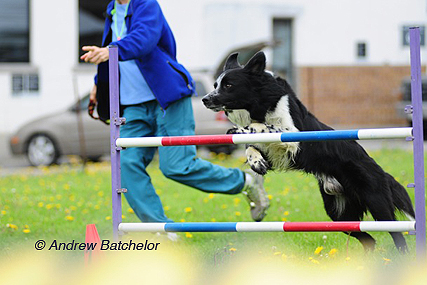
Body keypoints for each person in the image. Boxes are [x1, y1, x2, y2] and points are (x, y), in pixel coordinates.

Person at [81, 0, 269, 231]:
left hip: (167, 99)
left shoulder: (146, 5)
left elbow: (144, 39)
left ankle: (246, 181)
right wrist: (98, 85)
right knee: (125, 167)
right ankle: (161, 229)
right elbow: (113, 57)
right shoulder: (112, 11)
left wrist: (110, 51)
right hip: (133, 106)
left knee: (177, 166)